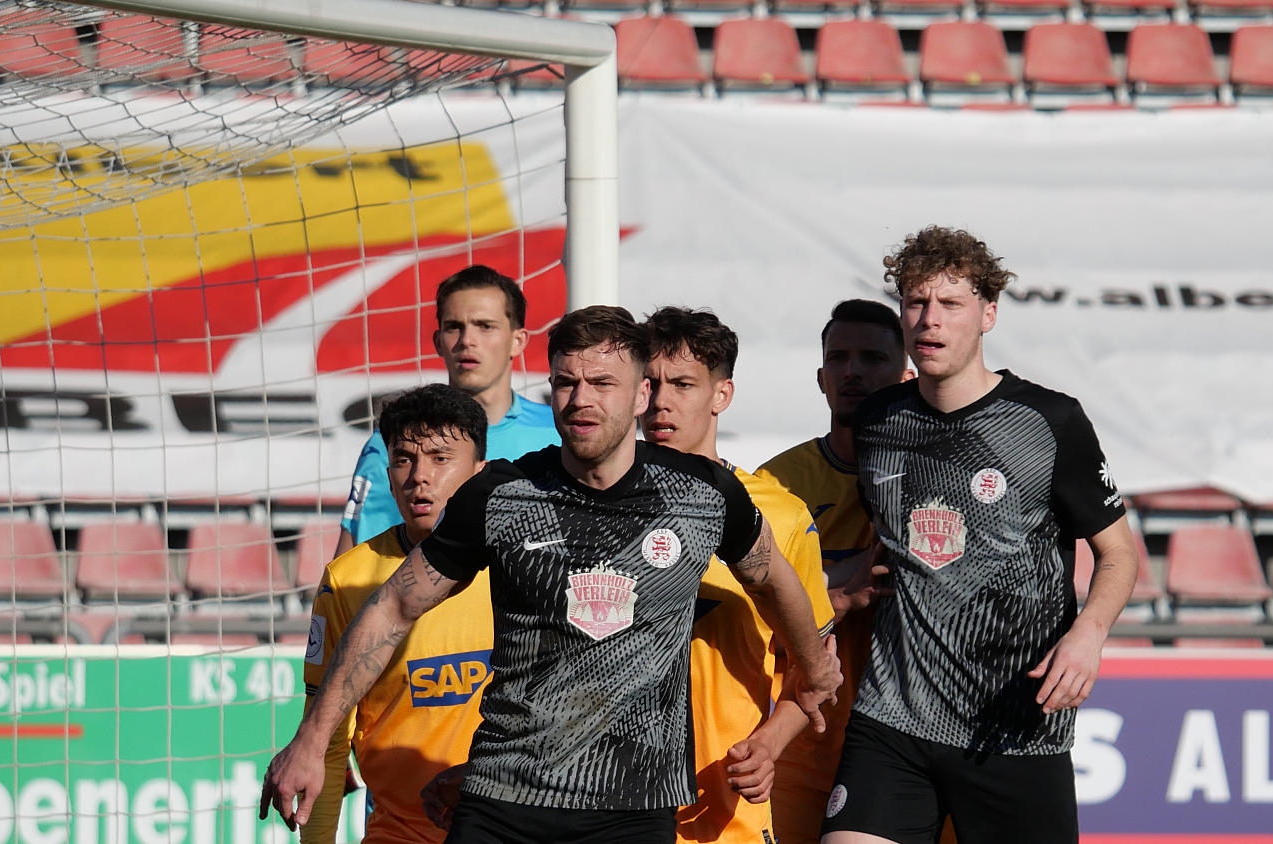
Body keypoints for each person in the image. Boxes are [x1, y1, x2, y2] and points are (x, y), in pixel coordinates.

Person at [263, 305, 842, 844]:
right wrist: (313, 739)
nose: (580, 400)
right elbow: (393, 606)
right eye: (566, 383)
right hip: (503, 799)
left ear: (642, 394)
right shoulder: (502, 495)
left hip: (635, 807)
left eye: (601, 383)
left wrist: (814, 668)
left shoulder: (703, 494)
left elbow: (773, 579)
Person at [820, 226, 1139, 844]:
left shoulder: (1049, 421)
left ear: (988, 314)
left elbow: (1118, 553)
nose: (929, 320)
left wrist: (1089, 635)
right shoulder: (880, 421)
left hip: (1014, 724)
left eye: (950, 304)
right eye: (915, 303)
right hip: (893, 718)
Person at [638, 306, 837, 844]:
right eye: (649, 383)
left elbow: (817, 671)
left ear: (721, 395)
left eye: (682, 384)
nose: (661, 401)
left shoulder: (780, 513)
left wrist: (769, 746)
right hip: (606, 809)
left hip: (723, 813)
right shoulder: (593, 503)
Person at [299, 384, 491, 844]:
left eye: (441, 458)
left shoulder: (515, 563)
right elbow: (325, 742)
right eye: (404, 459)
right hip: (399, 833)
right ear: (387, 474)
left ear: (479, 472)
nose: (419, 477)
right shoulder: (349, 579)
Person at [755, 299, 912, 844]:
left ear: (906, 373)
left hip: (913, 744)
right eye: (839, 357)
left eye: (872, 357)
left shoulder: (933, 476)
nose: (853, 371)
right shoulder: (777, 484)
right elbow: (749, 612)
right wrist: (841, 594)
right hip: (804, 742)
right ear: (821, 377)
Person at [335, 265, 561, 557]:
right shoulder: (390, 445)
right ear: (438, 341)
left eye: (485, 326)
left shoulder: (556, 434)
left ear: (518, 341)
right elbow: (348, 573)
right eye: (455, 327)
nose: (467, 340)